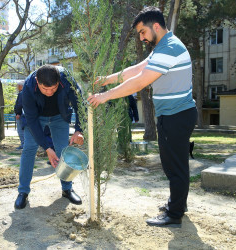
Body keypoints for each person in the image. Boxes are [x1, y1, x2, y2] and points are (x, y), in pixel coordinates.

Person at [88, 6, 197, 226]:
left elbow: (139, 81)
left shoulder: (170, 48)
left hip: (176, 116)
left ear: (155, 26)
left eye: (143, 32)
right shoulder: (163, 47)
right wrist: (107, 79)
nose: (141, 38)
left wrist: (105, 96)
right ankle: (177, 204)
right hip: (174, 115)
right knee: (175, 165)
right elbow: (137, 69)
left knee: (174, 167)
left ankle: (174, 214)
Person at [14, 65, 85, 209]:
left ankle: (67, 189)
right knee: (29, 149)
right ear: (37, 81)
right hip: (37, 118)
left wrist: (79, 130)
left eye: (53, 88)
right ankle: (23, 192)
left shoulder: (67, 79)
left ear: (59, 81)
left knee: (62, 150)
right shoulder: (28, 87)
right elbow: (32, 121)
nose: (49, 93)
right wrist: (46, 147)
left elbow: (80, 105)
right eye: (44, 89)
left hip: (60, 116)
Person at [14, 82, 26, 150]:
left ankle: (23, 144)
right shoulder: (24, 93)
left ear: (20, 86)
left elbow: (20, 104)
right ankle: (24, 144)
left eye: (17, 86)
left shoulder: (21, 93)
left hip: (21, 115)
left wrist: (18, 113)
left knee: (20, 130)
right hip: (23, 114)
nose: (17, 87)